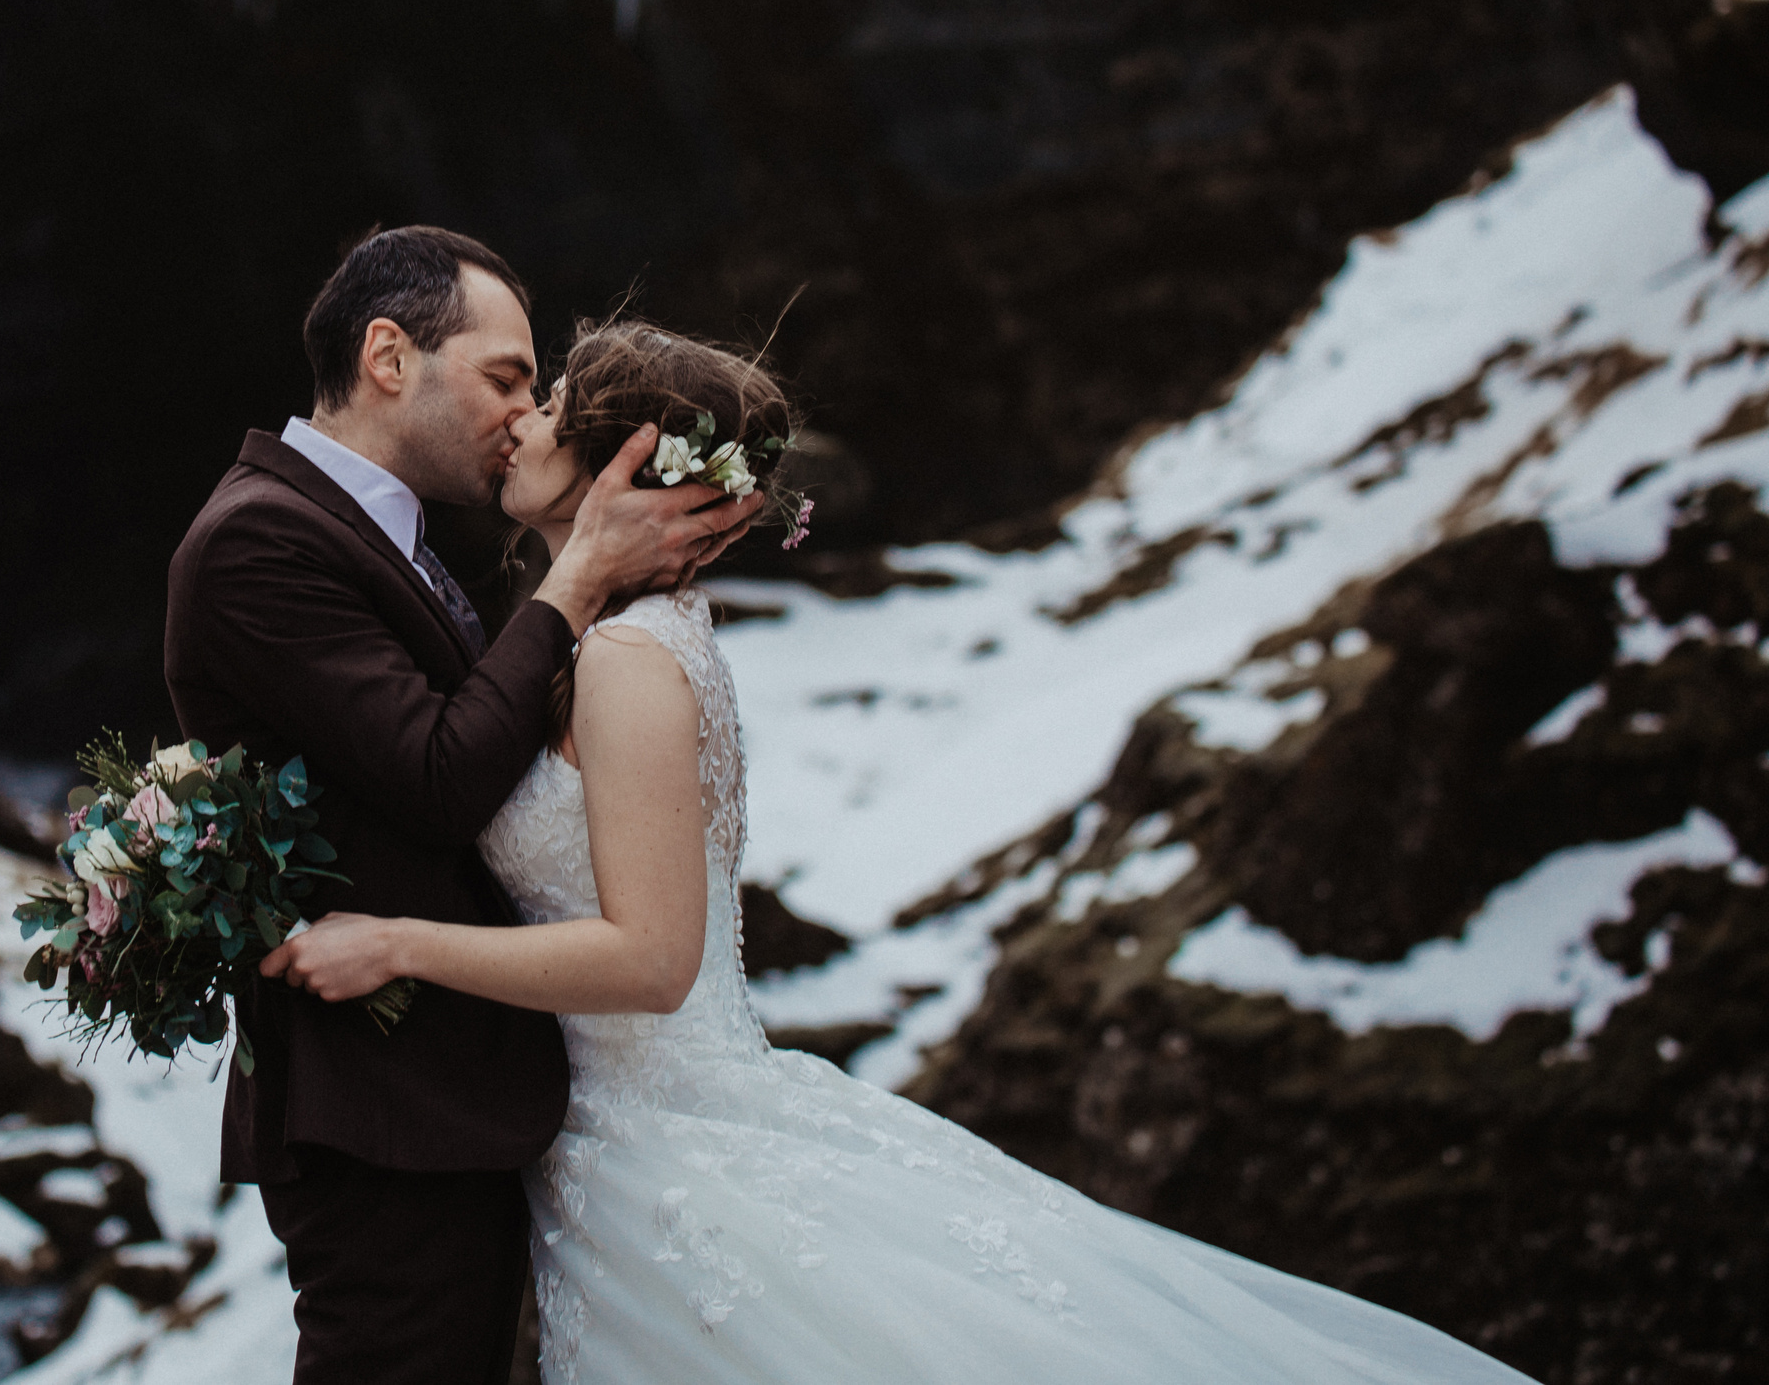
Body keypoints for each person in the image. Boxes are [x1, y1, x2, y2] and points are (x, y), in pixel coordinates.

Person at [262, 319, 1540, 1385]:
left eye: (548, 406)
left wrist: (399, 945)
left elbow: (652, 960)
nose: (520, 422)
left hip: (671, 1156)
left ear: (622, 464)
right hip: (610, 1152)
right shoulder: (597, 644)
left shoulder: (631, 665)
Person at [163, 228, 762, 1385]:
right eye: (505, 378)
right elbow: (440, 781)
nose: (525, 412)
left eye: (536, 390)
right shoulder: (260, 540)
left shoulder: (403, 541)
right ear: (389, 356)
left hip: (485, 1103)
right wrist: (579, 575)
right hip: (383, 1111)